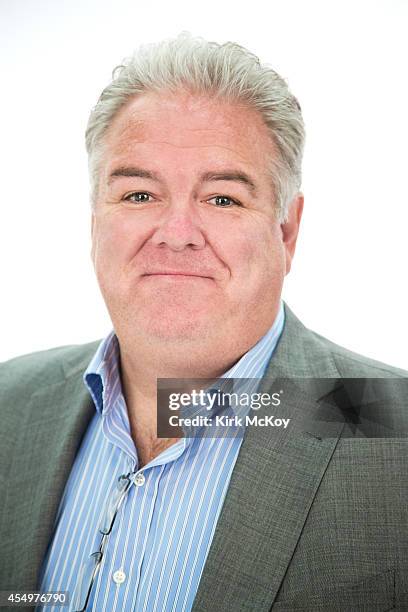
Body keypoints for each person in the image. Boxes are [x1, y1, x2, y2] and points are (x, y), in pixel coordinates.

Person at [0, 33, 407, 612]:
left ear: (286, 232)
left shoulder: (393, 427)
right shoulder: (9, 406)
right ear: (95, 221)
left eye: (222, 200)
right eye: (139, 195)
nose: (176, 232)